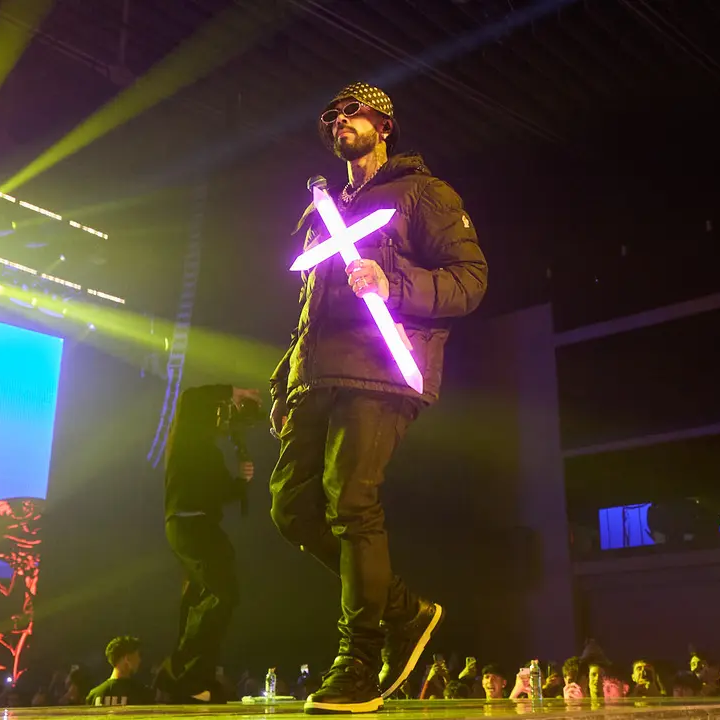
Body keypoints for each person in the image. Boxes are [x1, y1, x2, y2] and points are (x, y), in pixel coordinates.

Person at [268, 81, 488, 714]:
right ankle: (405, 611)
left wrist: (392, 281)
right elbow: (308, 307)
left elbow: (470, 281)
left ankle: (358, 659)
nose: (339, 119)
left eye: (352, 110)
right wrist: (288, 380)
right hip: (318, 375)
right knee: (290, 509)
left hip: (384, 369)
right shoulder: (320, 211)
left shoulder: (424, 194)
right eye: (330, 113)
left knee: (351, 501)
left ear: (383, 123)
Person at [156, 385, 260, 702]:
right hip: (190, 525)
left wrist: (240, 482)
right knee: (223, 595)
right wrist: (233, 391)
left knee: (204, 598)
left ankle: (194, 677)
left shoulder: (210, 453)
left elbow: (219, 494)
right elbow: (189, 398)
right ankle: (178, 669)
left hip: (200, 524)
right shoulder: (187, 439)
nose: (223, 418)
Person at [86, 636, 155, 706]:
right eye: (138, 655)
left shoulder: (94, 695)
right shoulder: (143, 694)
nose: (139, 660)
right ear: (127, 658)